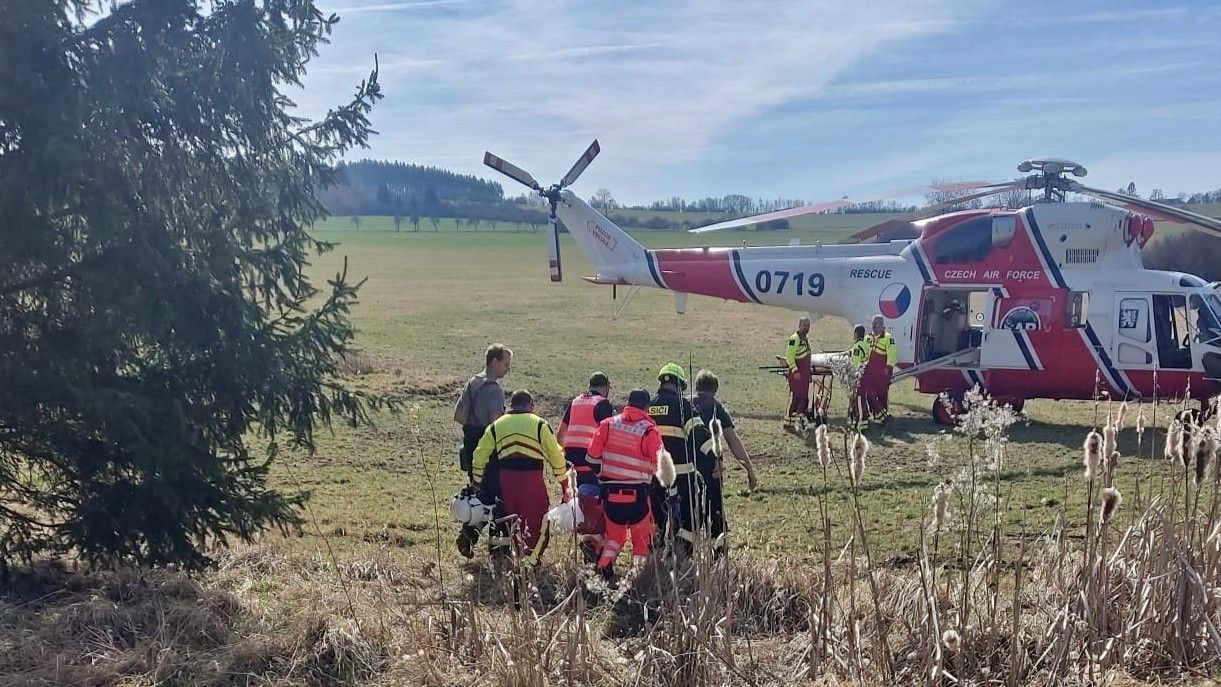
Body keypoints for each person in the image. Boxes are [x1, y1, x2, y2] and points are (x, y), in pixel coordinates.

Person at [471, 389, 568, 565]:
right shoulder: (540, 424)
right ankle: (531, 561)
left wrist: (476, 480)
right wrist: (564, 481)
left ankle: (515, 560)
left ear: (511, 405)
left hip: (507, 483)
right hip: (533, 483)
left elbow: (480, 454)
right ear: (530, 405)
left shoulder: (496, 425)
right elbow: (556, 455)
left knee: (512, 520)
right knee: (538, 521)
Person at [586, 389, 673, 578]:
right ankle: (635, 577)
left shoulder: (607, 425)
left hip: (610, 494)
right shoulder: (649, 431)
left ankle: (604, 564)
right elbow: (661, 465)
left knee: (614, 538)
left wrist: (603, 477)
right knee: (641, 541)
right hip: (637, 497)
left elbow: (591, 458)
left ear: (628, 403)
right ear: (646, 407)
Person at [452, 343, 511, 558]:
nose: (507, 369)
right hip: (489, 448)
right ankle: (498, 549)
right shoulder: (495, 391)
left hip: (470, 445)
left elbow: (458, 415)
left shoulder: (472, 383)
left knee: (479, 493)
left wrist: (473, 427)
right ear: (494, 361)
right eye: (505, 364)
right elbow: (497, 423)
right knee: (497, 499)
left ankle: (468, 536)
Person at [690, 369, 758, 552]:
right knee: (715, 516)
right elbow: (732, 440)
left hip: (684, 468)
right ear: (715, 390)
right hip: (711, 468)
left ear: (696, 386)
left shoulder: (685, 403)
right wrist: (749, 469)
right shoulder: (715, 407)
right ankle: (718, 552)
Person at [650, 363, 714, 554]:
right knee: (692, 511)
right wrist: (715, 456)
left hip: (654, 474)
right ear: (679, 385)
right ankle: (682, 549)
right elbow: (698, 434)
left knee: (658, 513)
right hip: (683, 473)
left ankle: (658, 551)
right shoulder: (682, 405)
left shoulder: (650, 405)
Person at [556, 372, 615, 563]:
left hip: (572, 465)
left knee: (581, 506)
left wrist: (566, 456)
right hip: (592, 463)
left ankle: (589, 543)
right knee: (600, 508)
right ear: (606, 387)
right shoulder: (603, 404)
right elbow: (610, 434)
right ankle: (594, 544)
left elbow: (560, 434)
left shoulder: (575, 402)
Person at [862, 315, 898, 423]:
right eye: (872, 324)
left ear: (882, 326)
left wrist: (888, 369)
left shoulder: (888, 338)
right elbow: (864, 352)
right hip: (870, 372)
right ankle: (884, 416)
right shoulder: (868, 338)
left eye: (876, 324)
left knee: (882, 395)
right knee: (869, 394)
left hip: (882, 373)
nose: (873, 327)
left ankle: (882, 418)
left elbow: (892, 355)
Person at [783, 316, 813, 431]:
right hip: (797, 375)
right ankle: (787, 421)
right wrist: (794, 370)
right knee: (794, 397)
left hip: (804, 376)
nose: (806, 328)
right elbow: (789, 356)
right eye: (804, 325)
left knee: (802, 398)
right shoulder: (794, 339)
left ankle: (796, 421)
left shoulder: (804, 339)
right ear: (799, 325)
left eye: (808, 326)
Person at [848, 324, 870, 425]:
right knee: (862, 397)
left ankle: (858, 418)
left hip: (859, 375)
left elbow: (855, 363)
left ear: (856, 333)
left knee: (857, 397)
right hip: (866, 374)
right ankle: (864, 417)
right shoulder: (866, 344)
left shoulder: (857, 347)